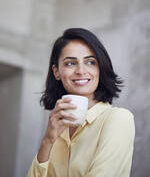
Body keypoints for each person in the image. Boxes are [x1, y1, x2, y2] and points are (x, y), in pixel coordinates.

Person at [27, 28, 135, 177]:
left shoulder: (118, 119)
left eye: (90, 62)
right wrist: (47, 140)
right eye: (70, 63)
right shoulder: (56, 128)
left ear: (100, 68)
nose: (81, 70)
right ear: (56, 71)